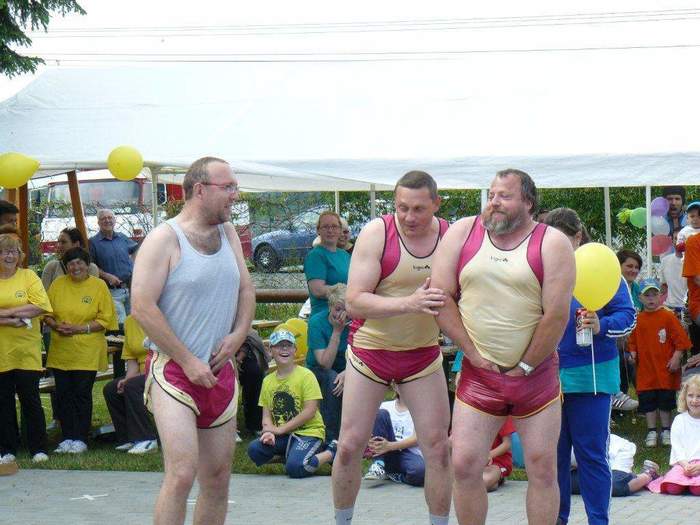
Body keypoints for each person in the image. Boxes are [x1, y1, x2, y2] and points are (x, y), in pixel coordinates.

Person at [431, 168, 575, 525]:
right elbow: (440, 296)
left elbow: (556, 315)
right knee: (464, 464)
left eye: (504, 196)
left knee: (542, 468)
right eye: (491, 195)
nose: (494, 202)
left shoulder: (552, 242)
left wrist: (525, 365)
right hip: (479, 375)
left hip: (535, 376)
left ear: (528, 203)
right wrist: (472, 353)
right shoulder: (463, 232)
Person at [131, 156, 255, 525]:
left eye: (235, 187)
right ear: (199, 189)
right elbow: (142, 306)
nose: (235, 195)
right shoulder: (164, 238)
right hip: (175, 373)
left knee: (217, 478)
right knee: (182, 474)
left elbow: (246, 290)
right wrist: (187, 360)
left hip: (219, 373)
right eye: (228, 187)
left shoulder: (229, 233)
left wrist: (238, 334)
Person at [332, 170, 451, 525]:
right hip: (371, 353)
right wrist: (409, 303)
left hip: (422, 355)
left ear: (436, 204)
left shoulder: (450, 236)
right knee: (350, 445)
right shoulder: (377, 233)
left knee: (438, 449)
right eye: (402, 208)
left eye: (419, 209)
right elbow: (354, 302)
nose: (409, 217)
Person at [543, 208, 636, 525]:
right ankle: (557, 519)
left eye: (561, 239)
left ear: (578, 237)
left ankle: (598, 520)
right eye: (548, 239)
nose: (554, 246)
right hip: (547, 379)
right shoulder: (540, 272)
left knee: (592, 455)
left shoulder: (604, 270)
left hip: (592, 379)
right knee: (553, 457)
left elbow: (628, 317)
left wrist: (601, 324)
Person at [45, 247, 118, 454]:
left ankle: (81, 438)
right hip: (61, 349)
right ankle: (67, 437)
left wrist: (79, 328)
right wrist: (55, 325)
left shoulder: (98, 285)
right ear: (66, 266)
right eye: (71, 264)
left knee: (81, 394)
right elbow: (46, 312)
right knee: (63, 394)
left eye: (79, 263)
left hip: (87, 350)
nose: (75, 267)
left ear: (87, 265)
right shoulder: (58, 284)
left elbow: (105, 320)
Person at [247, 329, 336, 477]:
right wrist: (268, 432)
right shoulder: (267, 381)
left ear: (295, 350)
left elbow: (310, 411)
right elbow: (266, 416)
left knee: (296, 469)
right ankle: (293, 455)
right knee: (254, 449)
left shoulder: (306, 375)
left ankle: (331, 452)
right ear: (270, 350)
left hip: (308, 433)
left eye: (288, 345)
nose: (284, 349)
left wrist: (280, 430)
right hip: (283, 436)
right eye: (279, 345)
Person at [0, 233, 52, 464]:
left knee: (30, 399)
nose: (9, 256)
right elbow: (28, 309)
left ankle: (38, 448)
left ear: (19, 255)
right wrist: (12, 320)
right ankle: (7, 449)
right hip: (1, 351)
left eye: (13, 251)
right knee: (3, 401)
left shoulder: (29, 276)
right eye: (4, 251)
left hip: (26, 351)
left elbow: (40, 306)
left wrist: (6, 313)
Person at [628, 277, 691, 447]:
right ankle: (651, 431)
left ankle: (666, 429)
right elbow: (632, 341)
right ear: (640, 298)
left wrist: (676, 357)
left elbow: (681, 340)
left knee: (665, 401)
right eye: (646, 295)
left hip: (665, 369)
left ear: (660, 296)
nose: (651, 299)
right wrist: (632, 353)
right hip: (646, 370)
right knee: (648, 400)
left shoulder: (668, 317)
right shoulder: (638, 319)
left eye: (654, 295)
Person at [450, 351, 517, 493]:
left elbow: (507, 444)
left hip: (495, 461)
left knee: (481, 482)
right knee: (453, 478)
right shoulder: (463, 411)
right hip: (472, 461)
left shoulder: (499, 407)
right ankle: (491, 482)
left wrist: (488, 455)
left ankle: (493, 479)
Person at [102, 315, 158, 454]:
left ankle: (147, 439)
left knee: (133, 386)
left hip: (162, 371)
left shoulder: (163, 316)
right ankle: (128, 438)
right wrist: (127, 379)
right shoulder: (129, 322)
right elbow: (132, 359)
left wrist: (134, 379)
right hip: (142, 373)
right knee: (111, 389)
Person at [307, 283, 349, 442]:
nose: (342, 315)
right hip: (319, 370)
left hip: (348, 367)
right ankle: (331, 438)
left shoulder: (358, 322)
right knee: (332, 380)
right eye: (338, 309)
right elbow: (325, 363)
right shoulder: (317, 322)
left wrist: (348, 372)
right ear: (330, 306)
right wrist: (337, 332)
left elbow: (363, 355)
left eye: (346, 310)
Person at [363, 383, 425, 487]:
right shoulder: (385, 406)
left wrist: (390, 446)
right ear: (395, 387)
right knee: (381, 413)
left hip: (409, 454)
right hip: (385, 452)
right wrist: (370, 446)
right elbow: (372, 432)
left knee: (420, 471)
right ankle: (378, 464)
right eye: (401, 384)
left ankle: (397, 476)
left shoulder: (419, 409)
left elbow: (417, 438)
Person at [647, 375, 700, 495]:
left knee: (698, 490)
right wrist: (685, 465)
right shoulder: (680, 420)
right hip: (683, 463)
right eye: (690, 395)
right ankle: (684, 482)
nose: (694, 400)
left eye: (699, 396)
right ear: (684, 397)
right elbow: (677, 446)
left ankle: (691, 484)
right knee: (672, 488)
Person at [89, 208, 138, 325]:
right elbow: (90, 266)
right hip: (111, 292)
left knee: (134, 324)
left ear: (114, 220)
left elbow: (137, 249)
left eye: (110, 217)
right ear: (98, 222)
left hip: (130, 289)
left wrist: (133, 265)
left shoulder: (122, 237)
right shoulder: (93, 242)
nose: (107, 220)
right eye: (103, 218)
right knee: (121, 325)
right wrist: (106, 276)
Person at [569, 434, 659, 497]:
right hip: (586, 465)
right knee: (567, 485)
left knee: (614, 486)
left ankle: (648, 474)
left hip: (617, 453)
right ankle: (627, 477)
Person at [304, 211, 351, 318]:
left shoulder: (345, 255)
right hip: (325, 315)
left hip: (347, 314)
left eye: (334, 226)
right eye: (325, 227)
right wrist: (346, 291)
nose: (330, 230)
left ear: (340, 230)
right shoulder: (315, 256)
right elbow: (317, 290)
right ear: (318, 230)